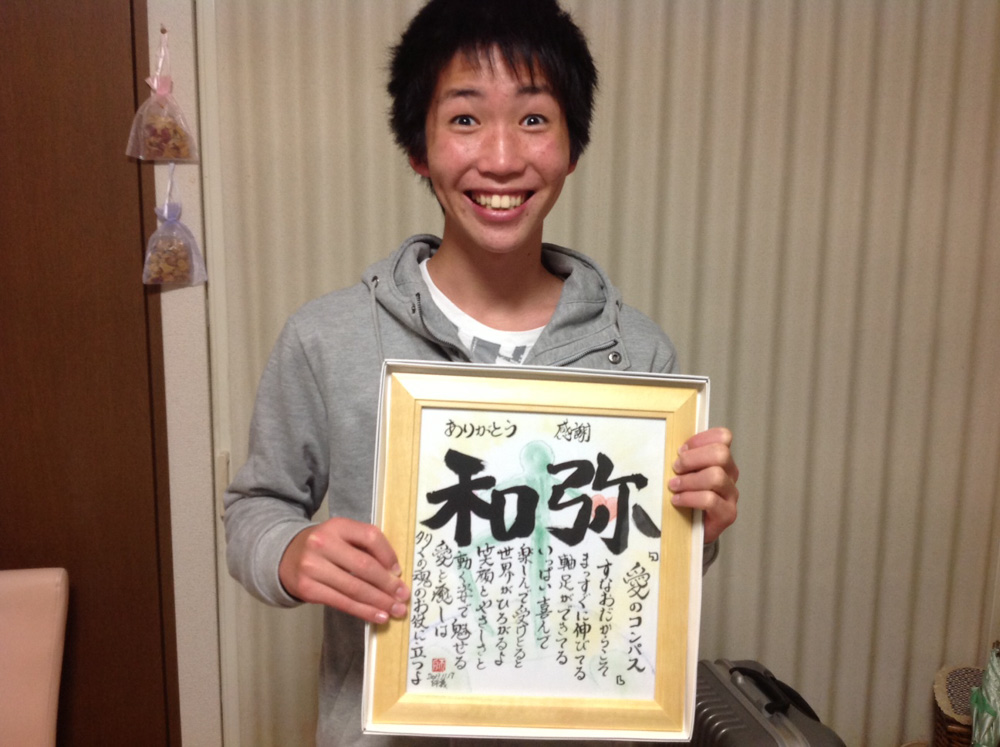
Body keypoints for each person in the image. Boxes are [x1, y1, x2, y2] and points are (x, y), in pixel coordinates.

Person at [224, 0, 740, 744]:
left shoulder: (637, 354)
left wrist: (700, 524)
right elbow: (256, 507)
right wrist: (290, 552)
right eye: (465, 118)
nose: (501, 158)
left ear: (573, 146)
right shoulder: (328, 337)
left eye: (533, 119)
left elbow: (645, 570)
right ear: (419, 147)